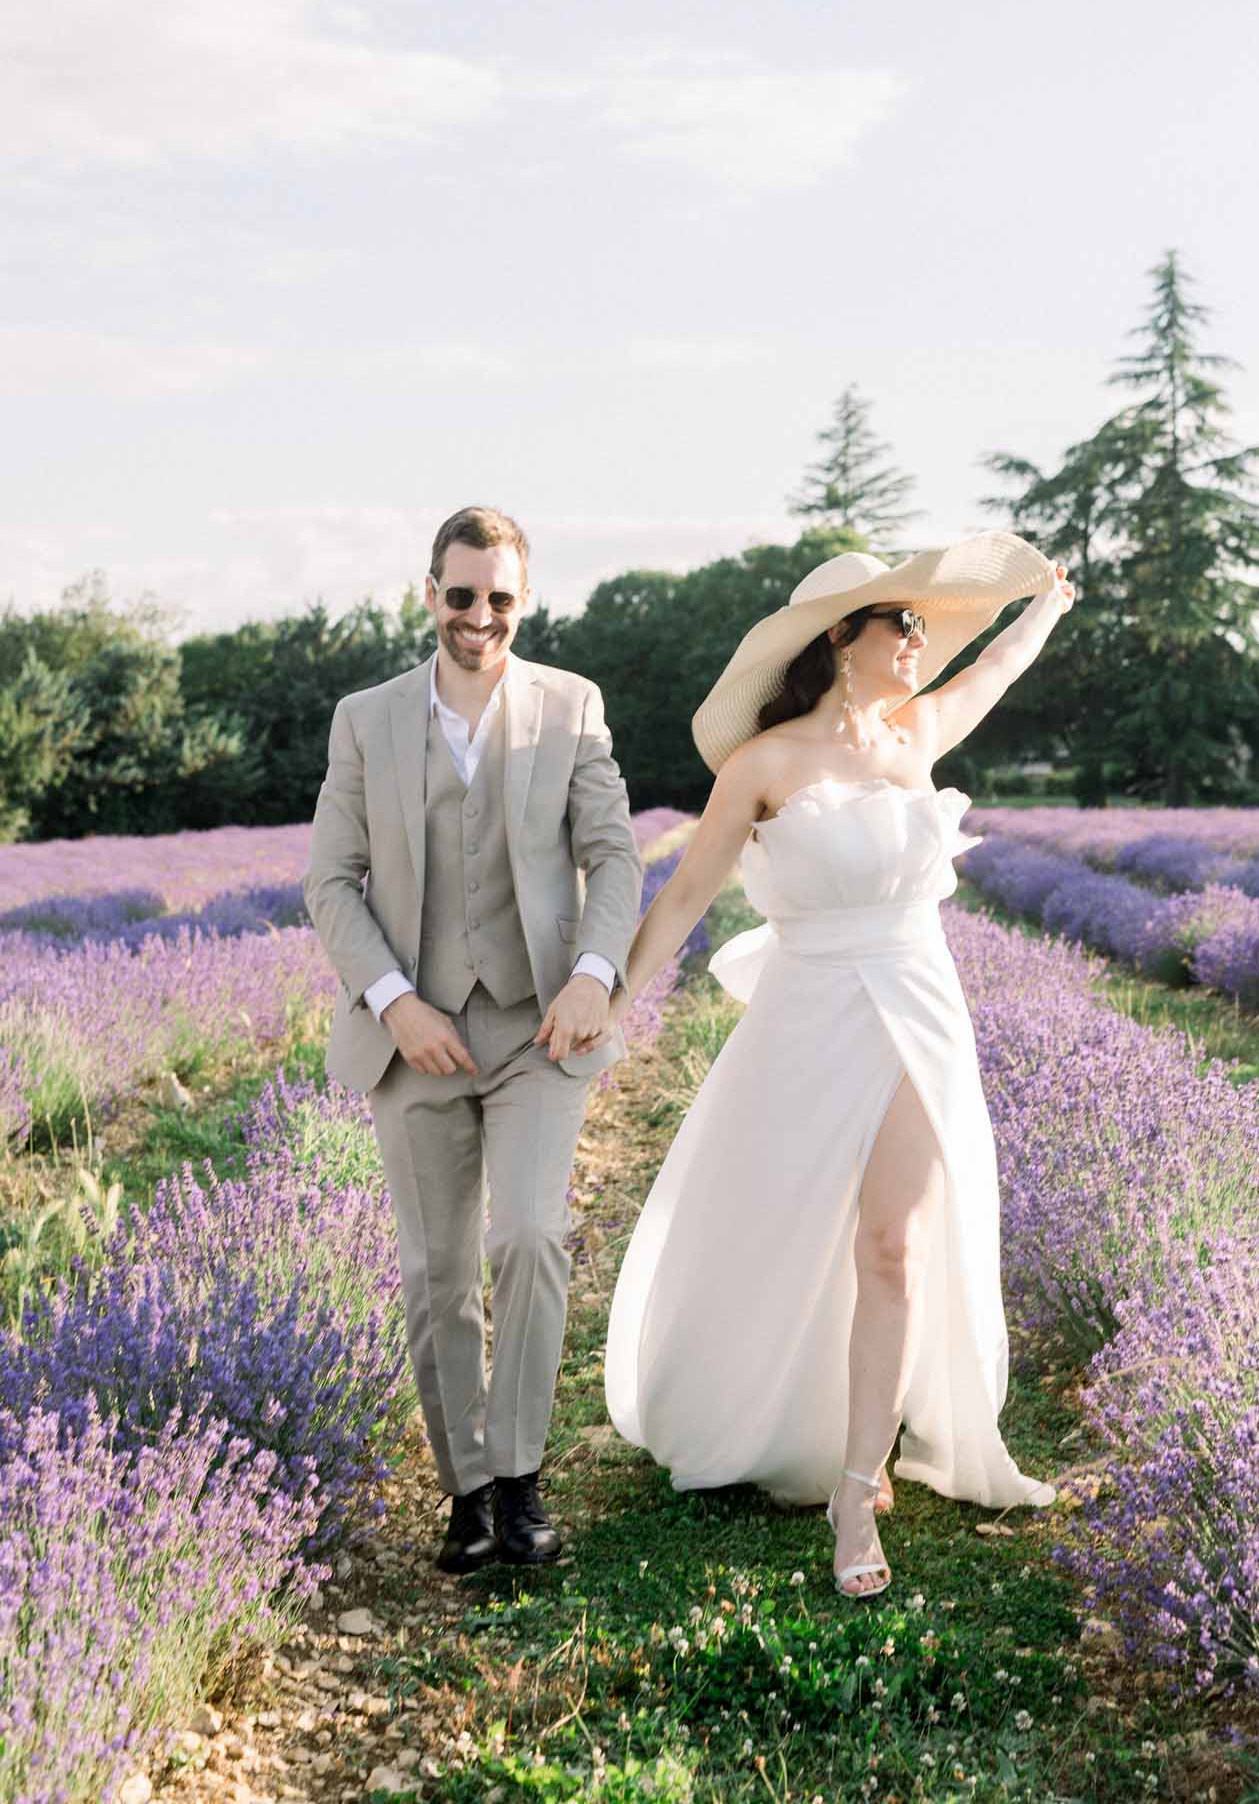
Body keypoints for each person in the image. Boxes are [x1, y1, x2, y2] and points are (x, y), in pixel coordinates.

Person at [603, 531, 1075, 1599]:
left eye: (917, 622)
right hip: (808, 1010)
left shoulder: (918, 733)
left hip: (916, 1001)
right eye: (896, 622)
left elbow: (993, 665)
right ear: (838, 640)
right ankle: (772, 1407)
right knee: (785, 1228)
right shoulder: (763, 767)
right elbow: (681, 897)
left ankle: (859, 1488)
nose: (916, 638)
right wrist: (612, 1001)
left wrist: (1044, 603)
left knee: (893, 1244)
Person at [304, 506, 642, 1575]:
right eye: (461, 595)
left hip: (538, 1023)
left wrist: (594, 975)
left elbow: (617, 857)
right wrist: (396, 998)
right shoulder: (367, 717)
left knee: (531, 1236)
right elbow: (330, 881)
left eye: (499, 597)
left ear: (523, 601)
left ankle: (523, 1475)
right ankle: (466, 1494)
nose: (478, 616)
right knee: (439, 1269)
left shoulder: (572, 706)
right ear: (430, 595)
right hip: (416, 1033)